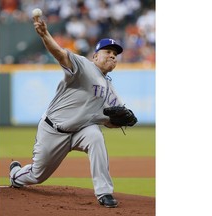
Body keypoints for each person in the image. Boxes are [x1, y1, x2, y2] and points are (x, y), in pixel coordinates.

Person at [9, 15, 134, 208]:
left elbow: (109, 121)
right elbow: (60, 54)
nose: (112, 56)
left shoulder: (111, 91)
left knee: (95, 137)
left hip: (81, 132)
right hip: (54, 130)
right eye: (107, 51)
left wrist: (121, 121)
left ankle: (104, 193)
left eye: (115, 54)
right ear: (95, 56)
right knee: (36, 175)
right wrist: (44, 34)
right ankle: (16, 175)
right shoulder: (84, 66)